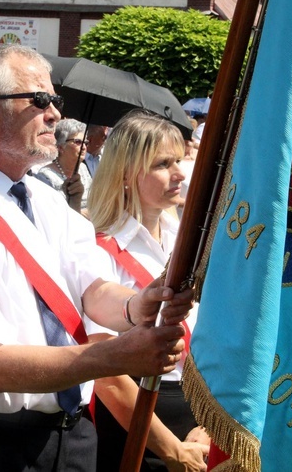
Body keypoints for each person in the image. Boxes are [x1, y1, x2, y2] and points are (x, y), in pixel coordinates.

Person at [0, 44, 193, 472]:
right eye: (39, 101)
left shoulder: (46, 199)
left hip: (73, 433)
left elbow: (93, 290)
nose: (55, 115)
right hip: (0, 442)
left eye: (55, 101)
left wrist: (141, 304)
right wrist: (115, 356)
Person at [87, 108, 208, 471]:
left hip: (198, 411)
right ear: (125, 174)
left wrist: (210, 423)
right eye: (161, 164)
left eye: (178, 160)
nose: (178, 174)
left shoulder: (186, 240)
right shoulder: (95, 249)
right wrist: (172, 450)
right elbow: (106, 374)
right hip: (136, 419)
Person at [34, 118, 91, 213]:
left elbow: (93, 202)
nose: (84, 147)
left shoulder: (83, 168)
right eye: (78, 142)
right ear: (61, 147)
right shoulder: (45, 176)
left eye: (86, 143)